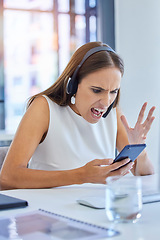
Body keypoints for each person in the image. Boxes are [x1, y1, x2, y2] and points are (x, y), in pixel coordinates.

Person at [0, 41, 155, 190]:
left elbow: (145, 175)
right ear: (73, 84)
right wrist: (81, 176)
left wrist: (139, 150)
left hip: (95, 211)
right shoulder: (44, 108)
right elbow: (7, 177)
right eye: (96, 90)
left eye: (113, 91)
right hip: (48, 211)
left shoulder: (113, 114)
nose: (106, 102)